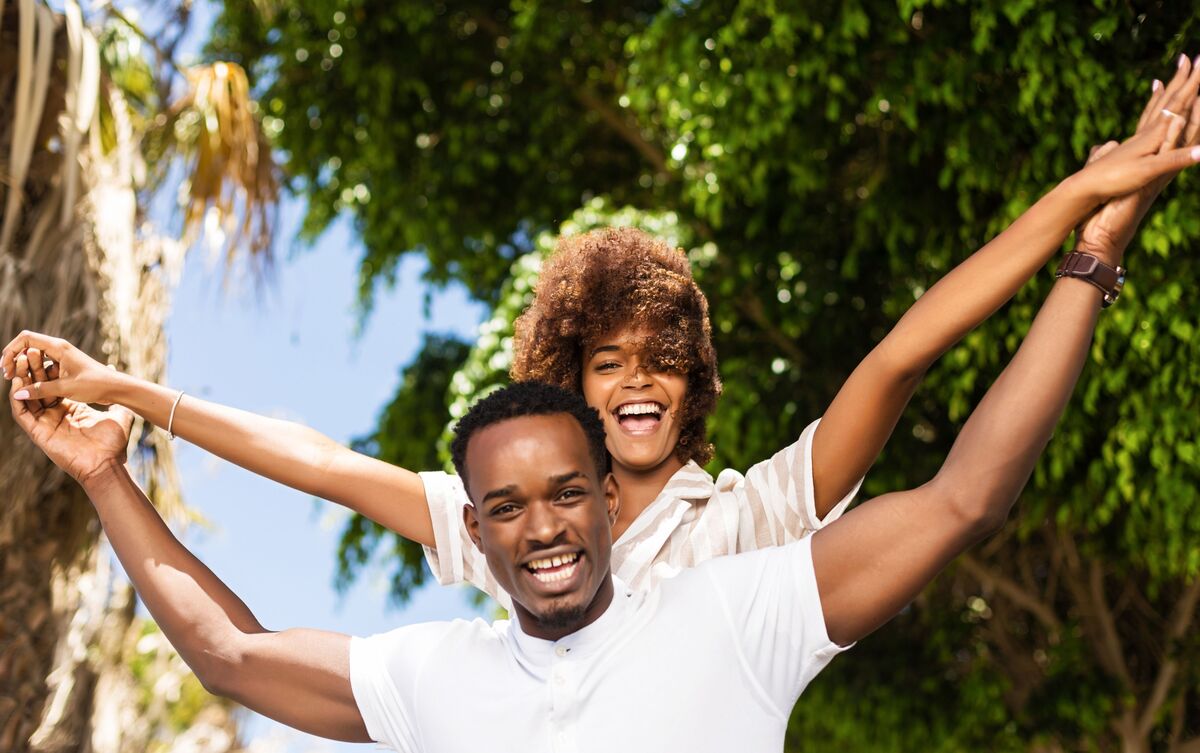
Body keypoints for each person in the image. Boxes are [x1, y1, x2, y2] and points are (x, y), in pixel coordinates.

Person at [5, 56, 1200, 609]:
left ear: (694, 386)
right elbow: (318, 462)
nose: (638, 384)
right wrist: (126, 386)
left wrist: (1079, 221)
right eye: (610, 362)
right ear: (569, 386)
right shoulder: (520, 535)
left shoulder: (756, 516)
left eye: (662, 362)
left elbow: (900, 355)